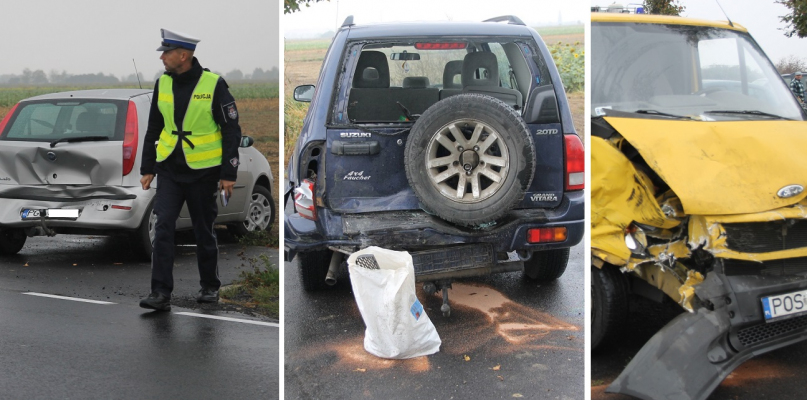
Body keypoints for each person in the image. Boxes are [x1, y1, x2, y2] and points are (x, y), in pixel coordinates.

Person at [139, 29, 242, 311]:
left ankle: (209, 287)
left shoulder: (213, 84)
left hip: (203, 172)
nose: (162, 58)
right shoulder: (162, 84)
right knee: (162, 228)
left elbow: (231, 130)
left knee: (202, 231)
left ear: (183, 55)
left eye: (166, 53)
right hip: (170, 169)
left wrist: (228, 173)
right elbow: (153, 128)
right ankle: (160, 293)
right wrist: (147, 167)